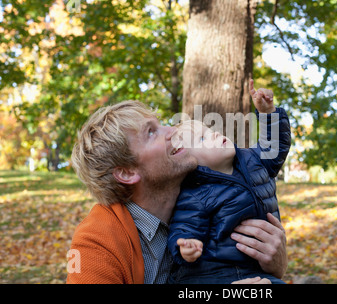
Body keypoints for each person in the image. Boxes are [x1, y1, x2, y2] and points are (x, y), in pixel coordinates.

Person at [66, 91, 287, 284]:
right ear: (127, 172)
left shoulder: (209, 194)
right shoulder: (95, 242)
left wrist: (275, 265)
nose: (172, 130)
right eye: (151, 132)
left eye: (161, 123)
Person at [167, 80, 291, 284]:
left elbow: (276, 148)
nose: (214, 133)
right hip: (214, 274)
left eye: (208, 131)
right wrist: (186, 246)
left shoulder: (252, 159)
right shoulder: (196, 193)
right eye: (202, 139)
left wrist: (269, 113)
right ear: (190, 162)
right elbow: (184, 226)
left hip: (257, 268)